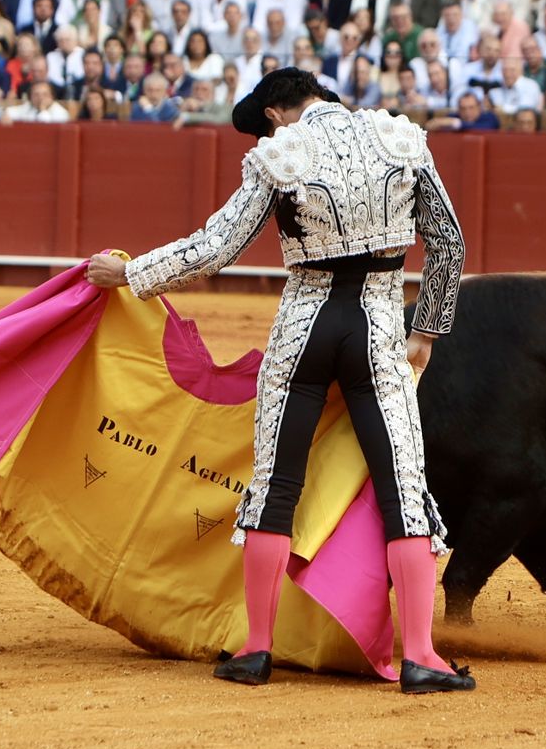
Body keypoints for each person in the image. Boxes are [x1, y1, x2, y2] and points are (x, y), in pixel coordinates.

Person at [82, 69, 473, 695]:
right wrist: (424, 332)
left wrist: (132, 275)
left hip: (304, 327)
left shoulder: (279, 152)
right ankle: (422, 655)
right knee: (403, 482)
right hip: (376, 324)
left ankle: (256, 649)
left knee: (275, 483)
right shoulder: (399, 139)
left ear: (274, 112)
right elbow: (448, 243)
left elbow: (216, 246)